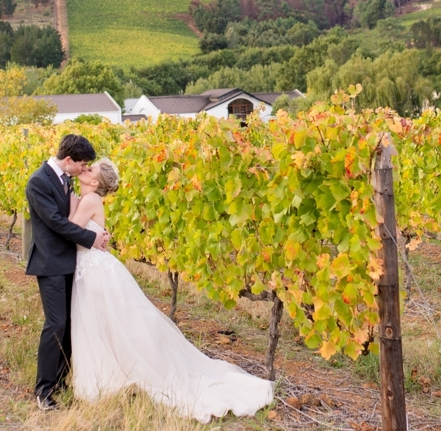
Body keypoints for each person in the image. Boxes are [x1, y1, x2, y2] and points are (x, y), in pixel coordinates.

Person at [67, 158, 275, 422]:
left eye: (91, 168)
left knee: (103, 325)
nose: (85, 168)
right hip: (94, 268)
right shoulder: (89, 198)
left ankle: (108, 379)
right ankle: (112, 375)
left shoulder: (88, 200)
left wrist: (72, 205)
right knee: (109, 325)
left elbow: (69, 231)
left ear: (95, 182)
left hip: (94, 272)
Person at [25, 134, 110, 410]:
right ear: (68, 160)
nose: (85, 169)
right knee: (56, 324)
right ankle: (43, 390)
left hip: (72, 263)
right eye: (83, 164)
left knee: (71, 324)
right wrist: (91, 238)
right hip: (50, 264)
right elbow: (56, 222)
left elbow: (76, 213)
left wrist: (96, 233)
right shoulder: (38, 182)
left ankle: (61, 380)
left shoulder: (67, 178)